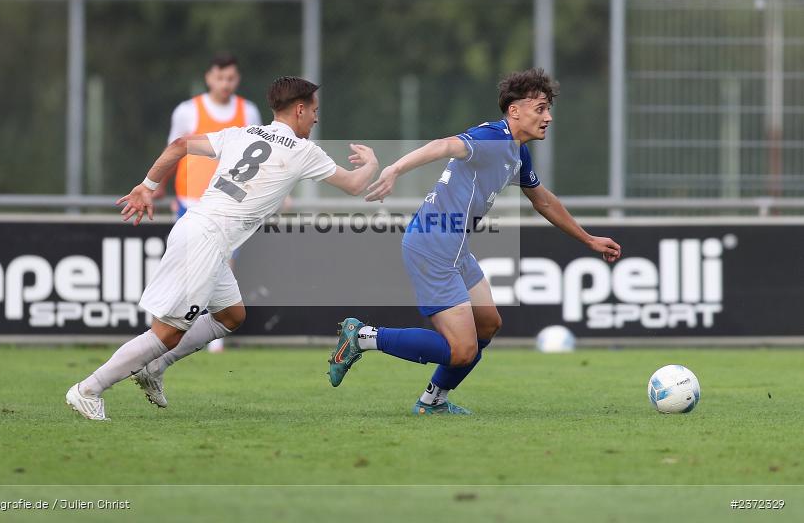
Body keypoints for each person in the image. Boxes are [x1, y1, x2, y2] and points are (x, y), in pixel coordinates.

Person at [67, 77, 378, 420]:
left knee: (231, 316)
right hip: (205, 240)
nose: (316, 119)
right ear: (300, 109)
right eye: (315, 111)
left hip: (198, 227)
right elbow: (354, 185)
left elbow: (179, 144)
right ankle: (88, 389)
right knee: (167, 333)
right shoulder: (303, 151)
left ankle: (154, 367)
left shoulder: (241, 134)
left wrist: (147, 186)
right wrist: (372, 164)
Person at [327, 68, 622, 415]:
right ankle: (363, 337)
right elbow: (443, 145)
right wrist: (394, 169)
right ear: (514, 111)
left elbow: (543, 200)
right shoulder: (491, 138)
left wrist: (588, 239)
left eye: (548, 109)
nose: (548, 117)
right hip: (433, 245)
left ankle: (432, 402)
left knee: (488, 324)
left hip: (455, 249)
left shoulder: (517, 152)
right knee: (462, 350)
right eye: (540, 109)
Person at [157, 53, 263, 356]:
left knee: (222, 265)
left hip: (230, 202)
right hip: (191, 199)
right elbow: (173, 149)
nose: (225, 84)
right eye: (220, 77)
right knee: (189, 265)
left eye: (231, 78)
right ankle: (171, 325)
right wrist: (157, 185)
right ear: (209, 77)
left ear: (237, 79)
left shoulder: (248, 111)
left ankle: (213, 333)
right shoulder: (187, 111)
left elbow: (259, 155)